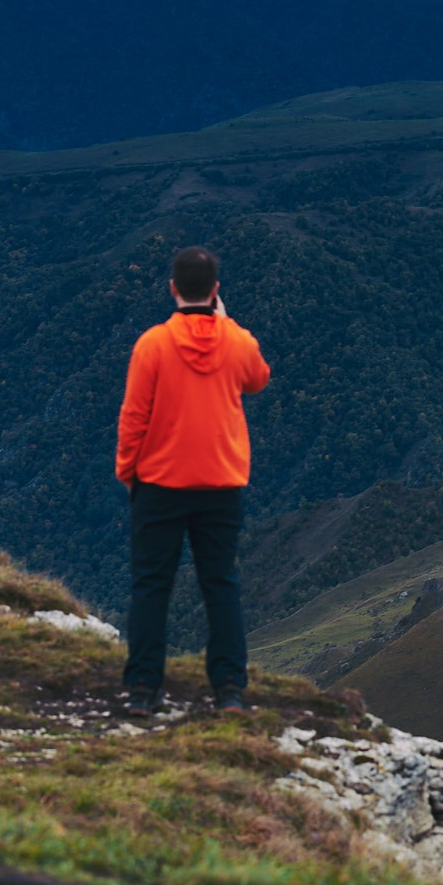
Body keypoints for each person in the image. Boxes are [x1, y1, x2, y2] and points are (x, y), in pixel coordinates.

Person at [115, 246, 271, 717]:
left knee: (151, 585)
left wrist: (128, 472)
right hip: (221, 482)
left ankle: (143, 690)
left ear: (173, 289)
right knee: (220, 585)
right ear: (216, 290)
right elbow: (258, 378)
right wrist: (229, 324)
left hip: (160, 482)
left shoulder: (153, 344)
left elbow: (134, 416)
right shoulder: (235, 342)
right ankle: (229, 691)